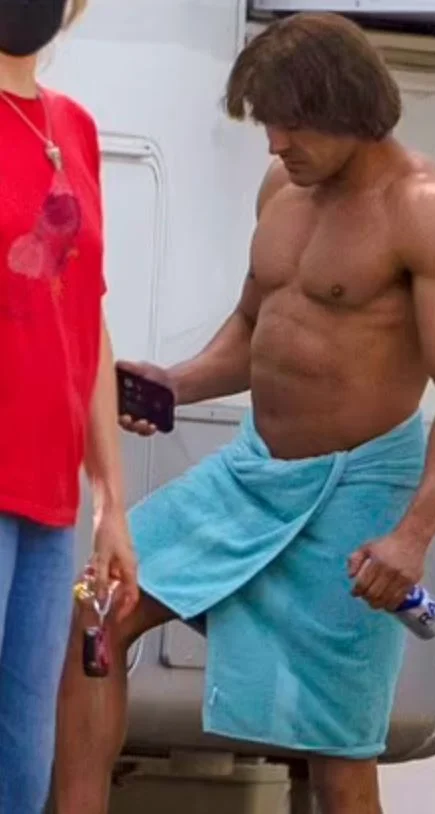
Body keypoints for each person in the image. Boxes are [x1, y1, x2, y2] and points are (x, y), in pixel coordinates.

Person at [54, 13, 435, 814]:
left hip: (357, 490)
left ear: (345, 107)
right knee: (97, 608)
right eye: (266, 122)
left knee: (335, 749)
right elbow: (254, 328)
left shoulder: (429, 211)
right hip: (252, 472)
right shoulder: (283, 189)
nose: (273, 142)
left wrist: (413, 536)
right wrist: (174, 382)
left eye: (288, 122)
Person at [0, 1, 138, 812]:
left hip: (50, 502)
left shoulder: (75, 129)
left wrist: (110, 501)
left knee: (24, 765)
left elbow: (85, 315)